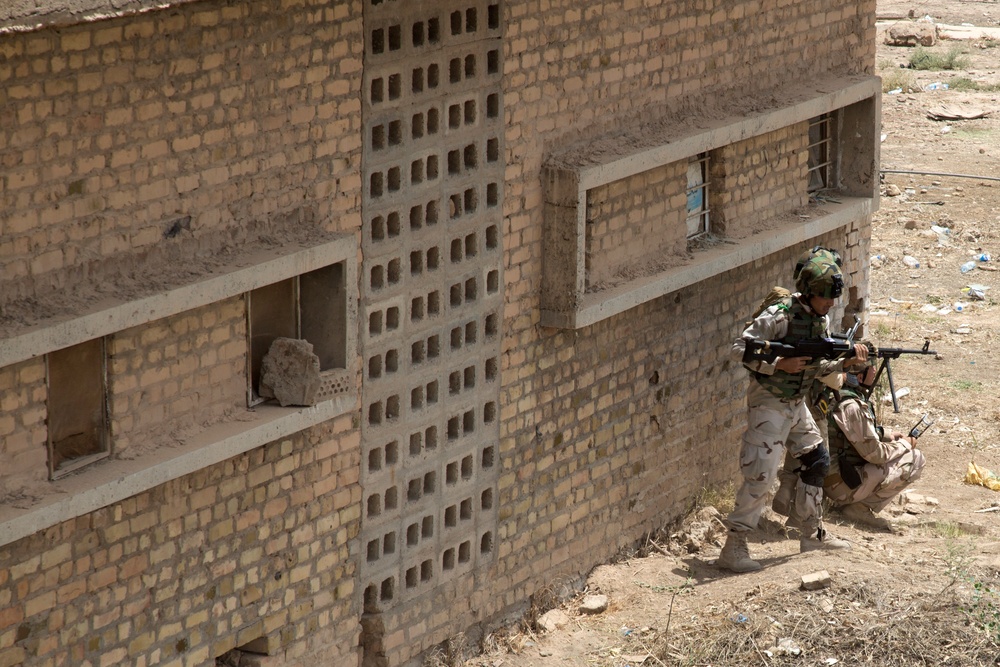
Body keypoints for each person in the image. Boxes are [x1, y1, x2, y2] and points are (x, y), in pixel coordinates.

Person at [718, 255, 868, 573]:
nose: (830, 303)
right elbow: (737, 348)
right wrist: (778, 364)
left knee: (817, 461)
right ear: (809, 291)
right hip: (769, 403)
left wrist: (846, 363)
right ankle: (733, 547)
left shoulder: (818, 320)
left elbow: (818, 367)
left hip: (796, 404)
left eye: (832, 297)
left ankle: (812, 534)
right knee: (761, 475)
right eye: (825, 296)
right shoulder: (779, 316)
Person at [822, 358, 927, 529]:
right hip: (839, 487)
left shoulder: (836, 395)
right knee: (915, 459)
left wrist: (886, 435)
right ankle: (859, 508)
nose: (875, 372)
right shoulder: (851, 406)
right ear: (860, 377)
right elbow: (875, 455)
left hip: (831, 478)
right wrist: (905, 444)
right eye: (872, 368)